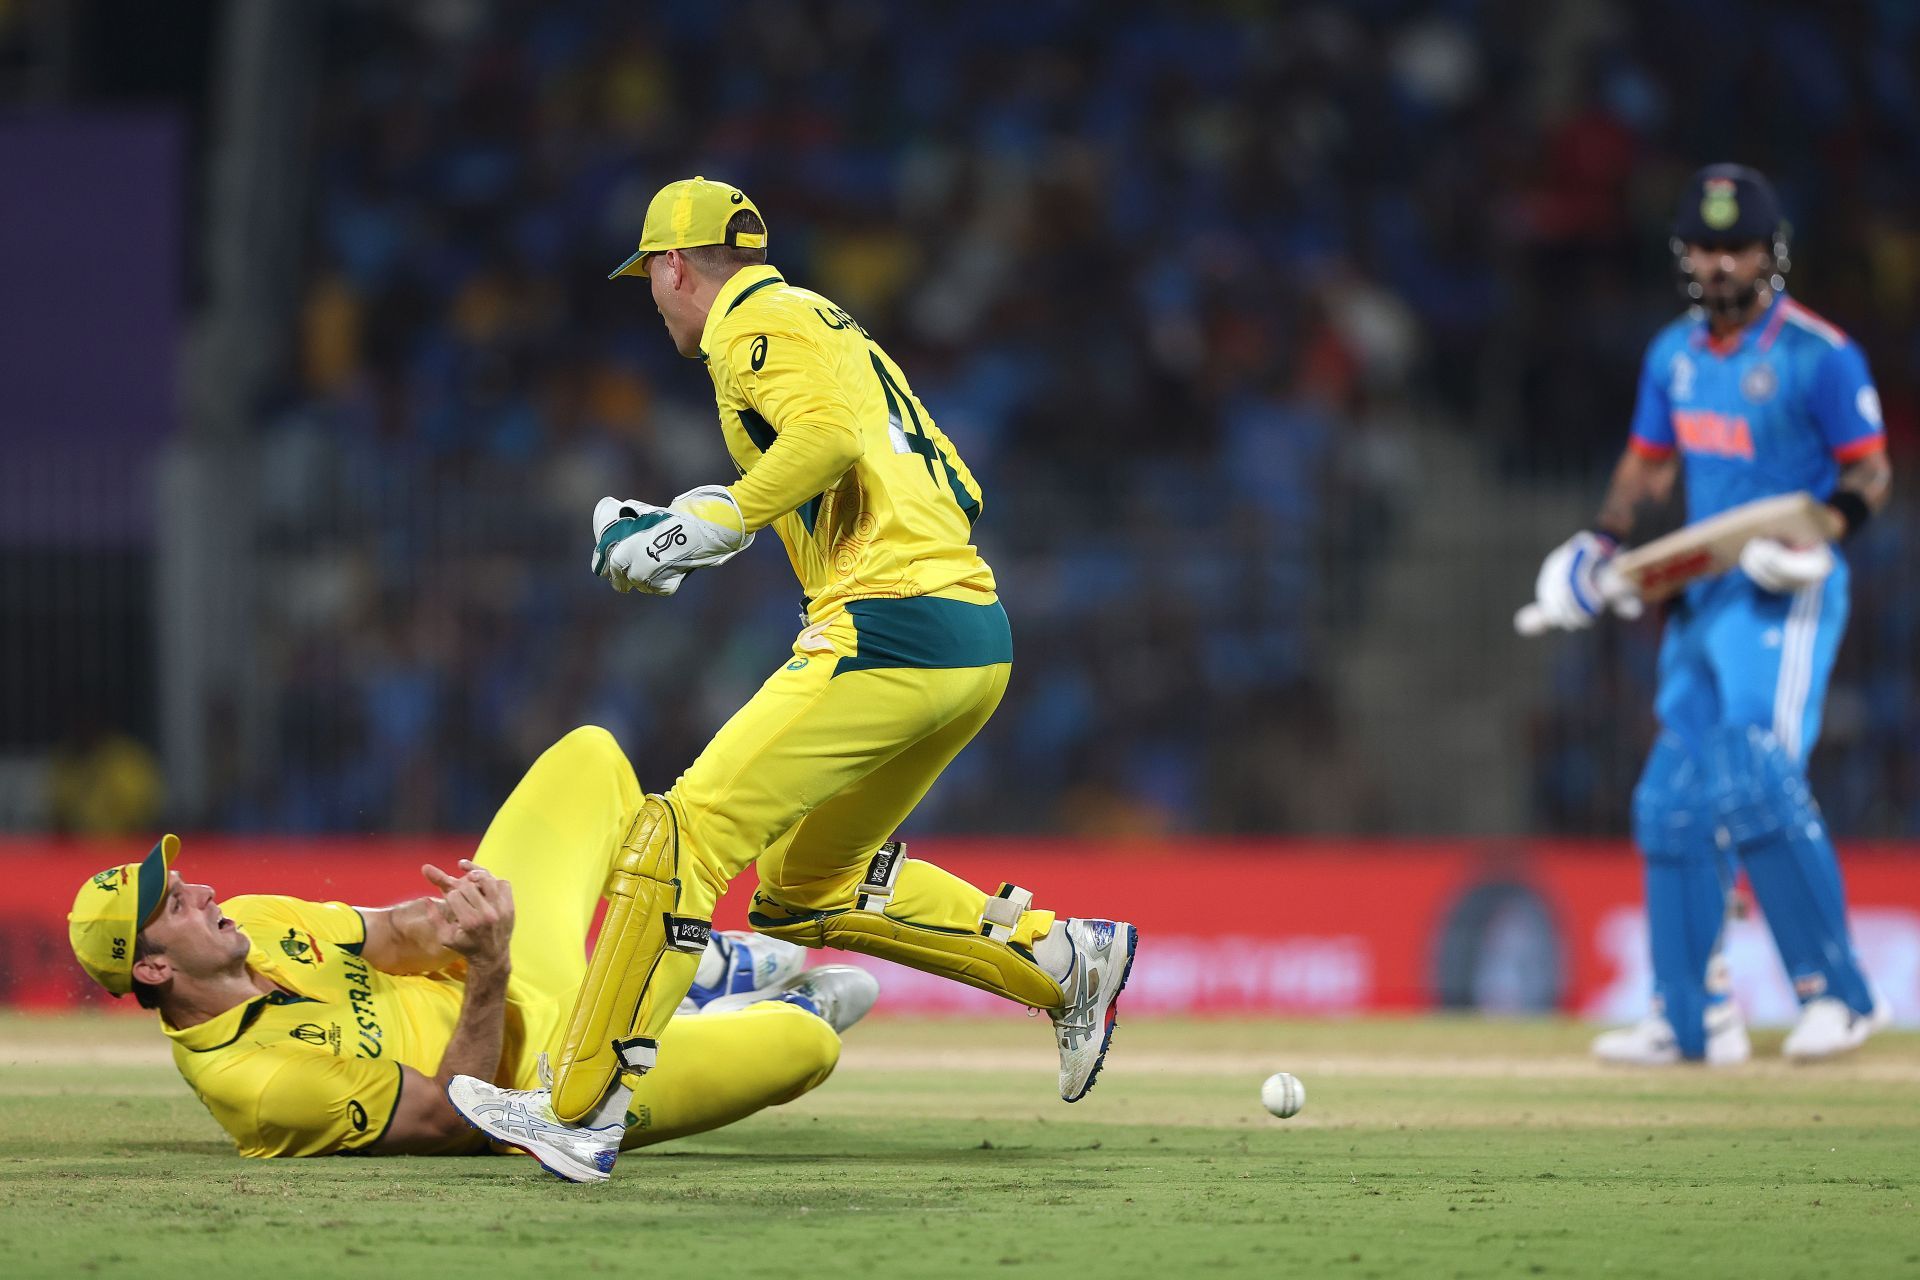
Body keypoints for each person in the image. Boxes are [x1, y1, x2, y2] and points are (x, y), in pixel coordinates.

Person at [449, 177, 1137, 1180]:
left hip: (888, 629)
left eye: (651, 277)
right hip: (970, 637)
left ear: (676, 266)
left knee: (680, 833)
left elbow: (822, 443)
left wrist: (706, 525)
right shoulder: (826, 322)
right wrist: (698, 516)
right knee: (802, 888)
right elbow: (955, 481)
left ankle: (581, 1106)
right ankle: (1063, 960)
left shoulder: (751, 328)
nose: (652, 297)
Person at [66, 726, 878, 1182]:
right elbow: (458, 1118)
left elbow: (388, 933)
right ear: (152, 970)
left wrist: (456, 921)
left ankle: (662, 974)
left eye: (181, 882)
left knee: (590, 757)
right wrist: (486, 966)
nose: (201, 894)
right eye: (174, 905)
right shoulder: (262, 1086)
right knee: (807, 1043)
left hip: (515, 972)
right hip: (546, 1083)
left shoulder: (253, 918)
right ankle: (669, 996)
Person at [1526, 164, 1893, 1065]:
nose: (1722, 264)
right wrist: (1601, 544)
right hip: (1701, 593)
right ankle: (1692, 1020)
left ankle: (1840, 997)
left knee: (1753, 774)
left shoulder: (1818, 352)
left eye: (1738, 248)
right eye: (1707, 247)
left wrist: (1820, 534)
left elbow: (1870, 472)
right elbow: (1648, 465)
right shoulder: (1673, 356)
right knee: (1668, 800)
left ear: (1770, 254)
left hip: (1788, 586)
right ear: (1684, 253)